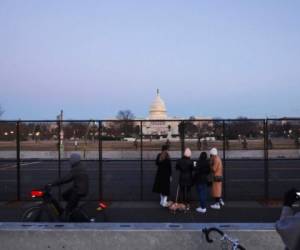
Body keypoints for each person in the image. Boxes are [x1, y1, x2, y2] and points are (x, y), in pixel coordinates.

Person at [50, 153, 89, 220]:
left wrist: (52, 184)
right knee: (65, 195)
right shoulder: (79, 166)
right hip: (78, 188)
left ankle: (68, 216)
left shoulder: (77, 168)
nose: (70, 161)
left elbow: (66, 179)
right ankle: (73, 208)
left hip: (79, 191)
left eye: (71, 159)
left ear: (74, 160)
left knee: (68, 208)